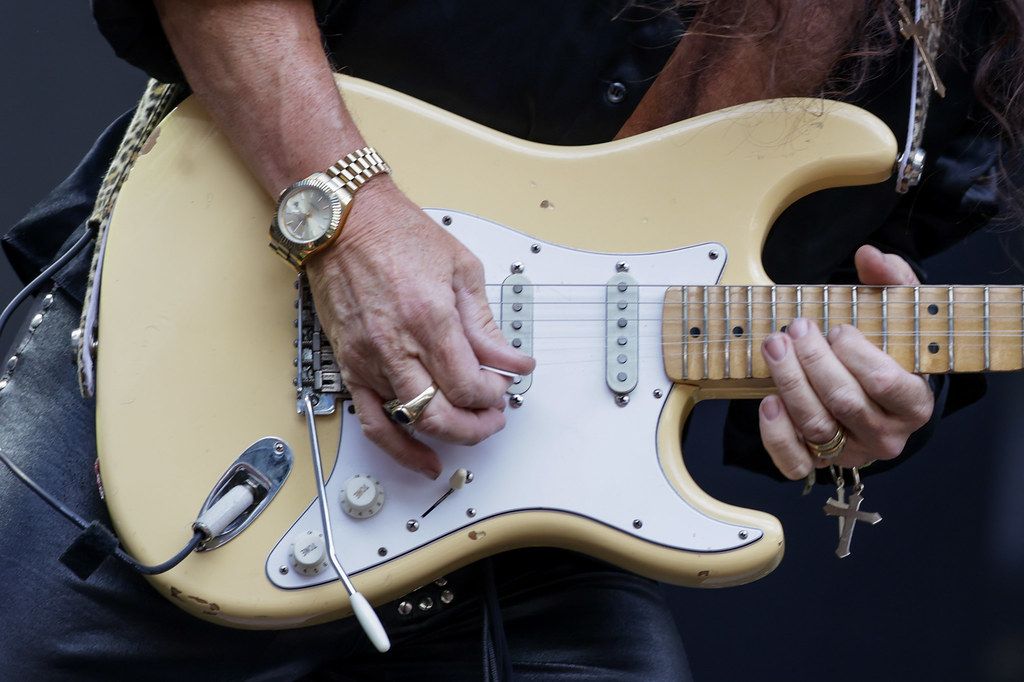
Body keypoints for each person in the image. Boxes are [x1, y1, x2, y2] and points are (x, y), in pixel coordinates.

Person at [0, 1, 1015, 679]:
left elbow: (831, 313)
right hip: (193, 376)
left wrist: (855, 417)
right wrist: (351, 220)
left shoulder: (960, 39)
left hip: (532, 514)